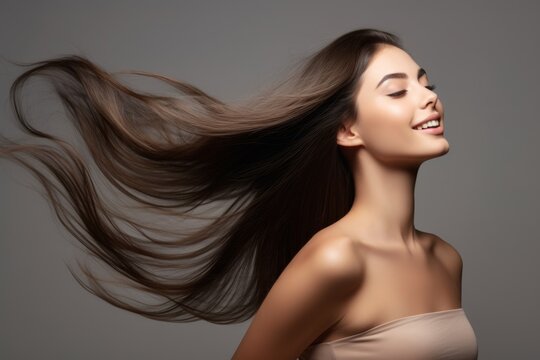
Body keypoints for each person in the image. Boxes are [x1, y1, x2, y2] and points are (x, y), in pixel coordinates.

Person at [0, 28, 478, 359]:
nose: (429, 96)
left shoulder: (445, 259)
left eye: (425, 82)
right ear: (348, 129)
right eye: (397, 92)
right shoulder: (337, 260)